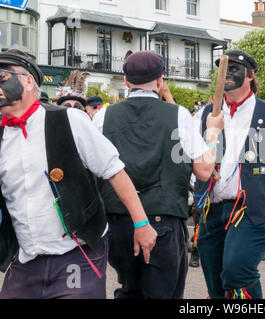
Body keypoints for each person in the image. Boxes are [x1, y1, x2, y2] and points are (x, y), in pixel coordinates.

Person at [0, 49, 157, 299]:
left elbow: (114, 170)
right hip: (26, 260)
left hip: (78, 254)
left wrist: (141, 223)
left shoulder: (69, 120)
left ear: (28, 81)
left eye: (2, 77)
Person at [93, 50, 224, 299]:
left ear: (127, 81)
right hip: (163, 220)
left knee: (131, 291)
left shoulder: (102, 116)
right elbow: (205, 171)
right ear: (161, 80)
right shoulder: (178, 115)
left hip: (119, 220)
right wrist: (213, 134)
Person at [194, 50, 265, 299]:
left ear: (250, 76)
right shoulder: (205, 115)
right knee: (215, 281)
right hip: (211, 209)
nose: (226, 74)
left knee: (237, 271)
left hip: (254, 209)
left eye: (233, 68)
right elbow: (188, 159)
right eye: (222, 69)